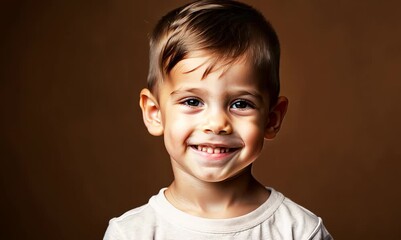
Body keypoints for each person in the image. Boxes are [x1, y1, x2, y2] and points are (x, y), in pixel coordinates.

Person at [104, 0, 333, 239]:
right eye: (192, 102)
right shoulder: (129, 233)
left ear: (272, 118)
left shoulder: (300, 232)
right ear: (154, 113)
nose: (216, 124)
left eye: (240, 104)